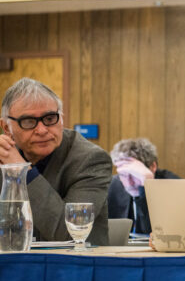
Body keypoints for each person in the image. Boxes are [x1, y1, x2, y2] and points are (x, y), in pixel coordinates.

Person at [0, 78, 111, 244]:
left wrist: (21, 171)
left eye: (50, 118)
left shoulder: (91, 160)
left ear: (61, 118)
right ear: (7, 128)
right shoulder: (4, 154)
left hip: (74, 265)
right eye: (29, 122)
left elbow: (70, 235)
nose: (42, 130)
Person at [107, 138, 180, 234]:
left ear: (152, 167)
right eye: (124, 174)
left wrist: (147, 185)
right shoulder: (111, 186)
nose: (129, 183)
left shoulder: (174, 185)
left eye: (134, 174)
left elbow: (158, 232)